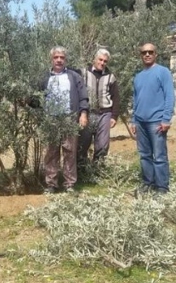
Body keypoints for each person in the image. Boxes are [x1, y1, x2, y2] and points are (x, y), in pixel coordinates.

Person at [41, 46, 89, 193]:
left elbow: (83, 96)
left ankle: (69, 184)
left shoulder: (74, 76)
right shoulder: (45, 78)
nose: (59, 60)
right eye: (56, 57)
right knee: (51, 152)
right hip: (51, 119)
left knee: (70, 151)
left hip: (69, 118)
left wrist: (83, 113)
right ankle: (51, 184)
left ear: (65, 59)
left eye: (62, 57)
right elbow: (36, 98)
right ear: (52, 59)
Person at [130, 43, 175, 195]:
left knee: (160, 156)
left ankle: (162, 187)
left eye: (150, 52)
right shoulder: (138, 77)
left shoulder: (163, 72)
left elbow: (169, 96)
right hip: (140, 122)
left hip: (157, 121)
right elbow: (135, 100)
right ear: (140, 55)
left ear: (156, 54)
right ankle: (148, 183)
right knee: (144, 155)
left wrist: (166, 119)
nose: (147, 54)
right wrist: (133, 120)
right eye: (144, 52)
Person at [77, 48, 121, 167]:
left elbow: (116, 97)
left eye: (105, 61)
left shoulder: (110, 77)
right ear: (94, 60)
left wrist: (114, 116)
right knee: (83, 142)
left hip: (104, 114)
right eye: (100, 60)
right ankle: (82, 170)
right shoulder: (84, 73)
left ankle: (98, 170)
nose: (102, 63)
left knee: (102, 144)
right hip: (87, 113)